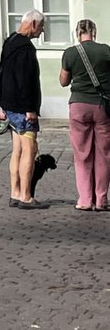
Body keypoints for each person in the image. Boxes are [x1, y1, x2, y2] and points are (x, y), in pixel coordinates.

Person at [0, 10, 47, 209]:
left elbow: (3, 74)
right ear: (32, 24)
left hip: (9, 105)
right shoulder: (26, 49)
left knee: (17, 151)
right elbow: (25, 82)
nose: (41, 32)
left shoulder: (10, 42)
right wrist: (30, 109)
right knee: (29, 151)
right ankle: (26, 196)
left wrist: (2, 105)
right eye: (41, 27)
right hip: (23, 108)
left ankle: (14, 192)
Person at [59, 18, 110, 211]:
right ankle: (102, 199)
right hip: (102, 106)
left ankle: (85, 200)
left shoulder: (71, 53)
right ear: (94, 32)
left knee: (82, 154)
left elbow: (63, 81)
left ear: (77, 33)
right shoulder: (106, 51)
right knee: (104, 153)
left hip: (79, 105)